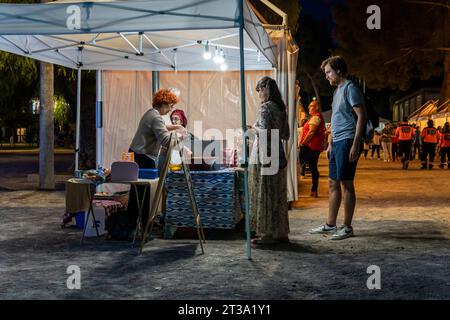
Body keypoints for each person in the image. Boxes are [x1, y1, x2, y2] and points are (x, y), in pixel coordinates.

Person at [310, 56, 367, 240]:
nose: (327, 76)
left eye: (328, 72)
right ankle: (330, 224)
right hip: (337, 143)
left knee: (346, 183)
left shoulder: (351, 89)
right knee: (333, 183)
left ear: (339, 70)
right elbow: (335, 119)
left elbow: (362, 117)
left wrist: (356, 143)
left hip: (348, 140)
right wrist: (331, 143)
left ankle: (347, 227)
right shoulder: (337, 92)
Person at [249, 76, 290, 245]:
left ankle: (266, 234)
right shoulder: (281, 108)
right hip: (277, 152)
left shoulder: (265, 108)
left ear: (266, 88)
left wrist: (253, 127)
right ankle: (280, 232)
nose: (259, 95)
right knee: (278, 193)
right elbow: (286, 135)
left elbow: (264, 132)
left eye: (260, 90)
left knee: (264, 192)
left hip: (264, 153)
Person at [129, 88, 182, 169]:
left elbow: (159, 128)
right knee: (147, 181)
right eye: (170, 106)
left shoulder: (151, 113)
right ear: (164, 104)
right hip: (142, 158)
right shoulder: (156, 118)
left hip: (137, 154)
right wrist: (180, 136)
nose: (171, 110)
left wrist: (177, 127)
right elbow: (167, 142)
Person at [299, 100, 326, 197]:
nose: (309, 107)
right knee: (313, 167)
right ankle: (314, 190)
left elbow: (311, 132)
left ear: (317, 107)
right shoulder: (314, 118)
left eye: (312, 106)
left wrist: (302, 143)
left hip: (311, 146)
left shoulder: (316, 117)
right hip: (313, 147)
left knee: (303, 164)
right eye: (309, 106)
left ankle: (314, 190)